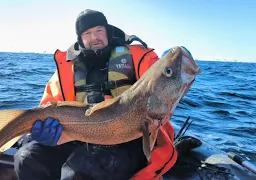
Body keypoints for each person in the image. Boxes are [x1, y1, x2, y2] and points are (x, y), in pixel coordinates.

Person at [14, 9, 178, 180]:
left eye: (99, 30)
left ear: (107, 31)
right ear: (80, 38)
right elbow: (48, 105)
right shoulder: (67, 68)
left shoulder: (138, 56)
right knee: (27, 158)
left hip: (128, 141)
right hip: (77, 137)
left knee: (78, 173)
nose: (94, 37)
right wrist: (44, 131)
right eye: (87, 33)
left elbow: (163, 82)